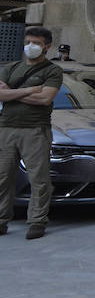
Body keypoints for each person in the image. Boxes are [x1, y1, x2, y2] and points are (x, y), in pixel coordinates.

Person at [0, 27, 63, 239]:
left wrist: (11, 93)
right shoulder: (11, 68)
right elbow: (0, 94)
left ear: (47, 46)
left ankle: (37, 221)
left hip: (35, 129)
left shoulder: (52, 71)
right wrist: (29, 90)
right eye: (28, 42)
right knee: (3, 176)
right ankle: (1, 219)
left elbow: (45, 99)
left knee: (39, 178)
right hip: (6, 128)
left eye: (35, 43)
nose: (30, 46)